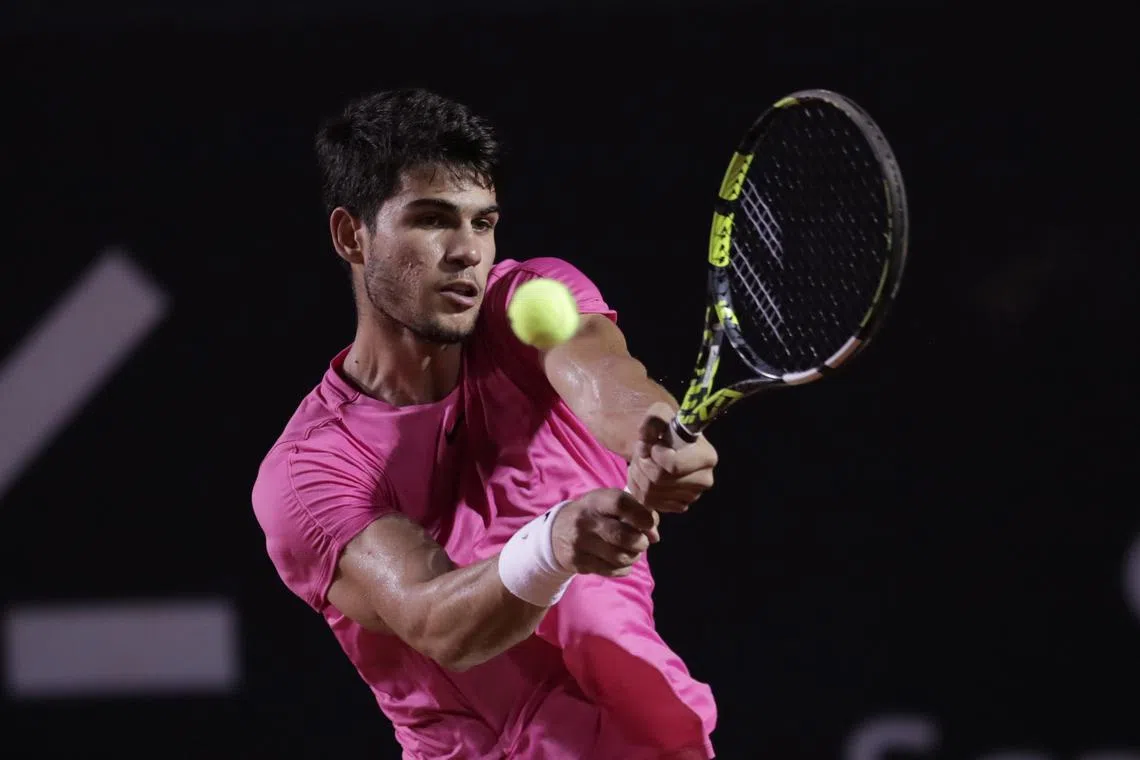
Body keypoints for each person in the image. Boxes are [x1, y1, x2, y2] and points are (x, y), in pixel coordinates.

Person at [251, 87, 721, 760]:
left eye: (483, 222)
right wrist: (553, 544)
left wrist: (655, 430)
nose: (467, 250)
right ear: (352, 235)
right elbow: (437, 623)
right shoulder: (310, 472)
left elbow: (606, 378)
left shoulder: (527, 305)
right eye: (433, 220)